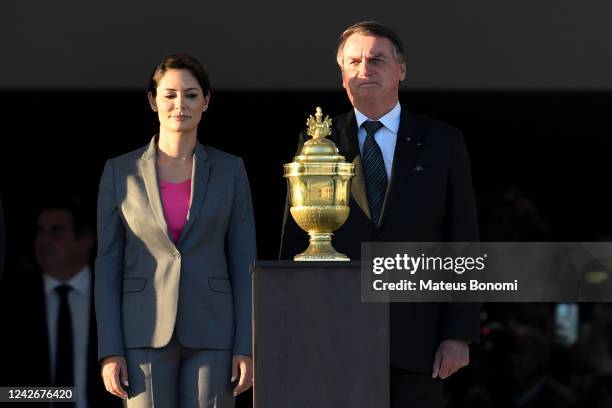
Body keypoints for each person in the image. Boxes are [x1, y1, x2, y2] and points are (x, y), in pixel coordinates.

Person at [279, 21, 480, 407]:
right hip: (335, 333)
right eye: (353, 61)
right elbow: (295, 237)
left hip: (417, 336)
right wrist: (290, 327)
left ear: (401, 69)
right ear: (342, 75)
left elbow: (463, 239)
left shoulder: (443, 141)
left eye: (376, 60)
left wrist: (459, 333)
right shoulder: (319, 142)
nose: (364, 69)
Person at [95, 54, 256, 407]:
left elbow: (245, 263)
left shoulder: (231, 170)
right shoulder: (118, 172)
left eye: (191, 94)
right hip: (141, 331)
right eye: (169, 95)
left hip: (215, 332)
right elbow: (108, 265)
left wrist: (247, 345)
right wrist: (110, 349)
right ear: (153, 101)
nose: (179, 105)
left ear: (206, 101)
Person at [0, 196, 120, 408]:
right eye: (40, 231)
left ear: (85, 240)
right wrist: (59, 395)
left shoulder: (114, 296)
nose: (44, 240)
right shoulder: (13, 302)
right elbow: (6, 392)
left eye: (57, 231)